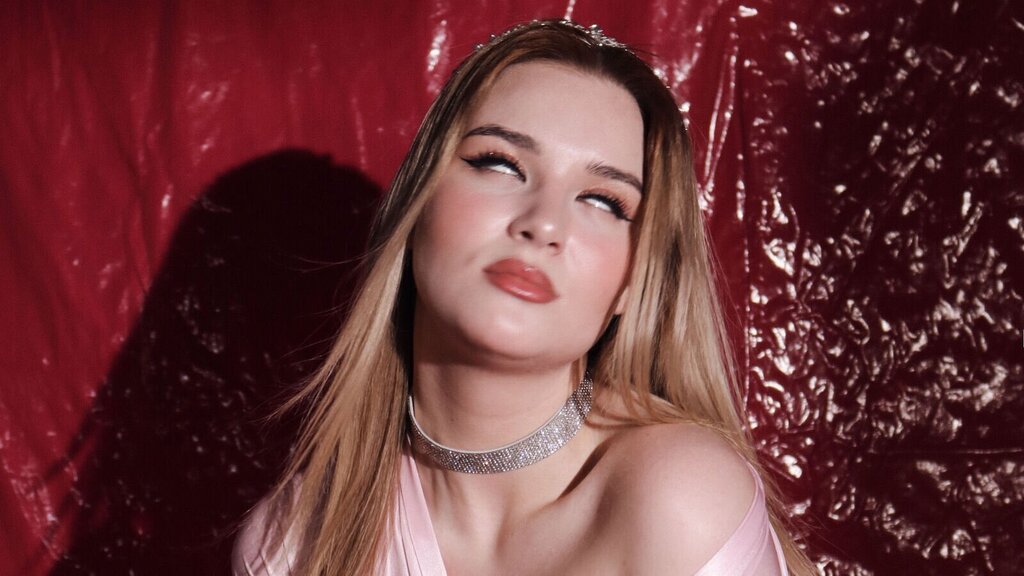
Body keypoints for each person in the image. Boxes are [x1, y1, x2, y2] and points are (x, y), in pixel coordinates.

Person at [233, 20, 815, 575]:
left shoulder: (678, 498)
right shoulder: (294, 542)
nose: (544, 224)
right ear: (417, 202)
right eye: (501, 164)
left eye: (603, 201)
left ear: (633, 282)